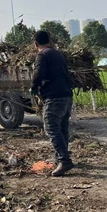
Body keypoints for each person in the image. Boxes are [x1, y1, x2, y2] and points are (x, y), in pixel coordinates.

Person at [31, 30, 75, 177]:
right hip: (67, 95)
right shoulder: (58, 54)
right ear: (49, 41)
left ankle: (64, 160)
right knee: (62, 128)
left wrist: (33, 88)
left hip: (54, 96)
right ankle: (60, 158)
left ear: (36, 44)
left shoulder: (42, 55)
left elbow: (38, 74)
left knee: (50, 126)